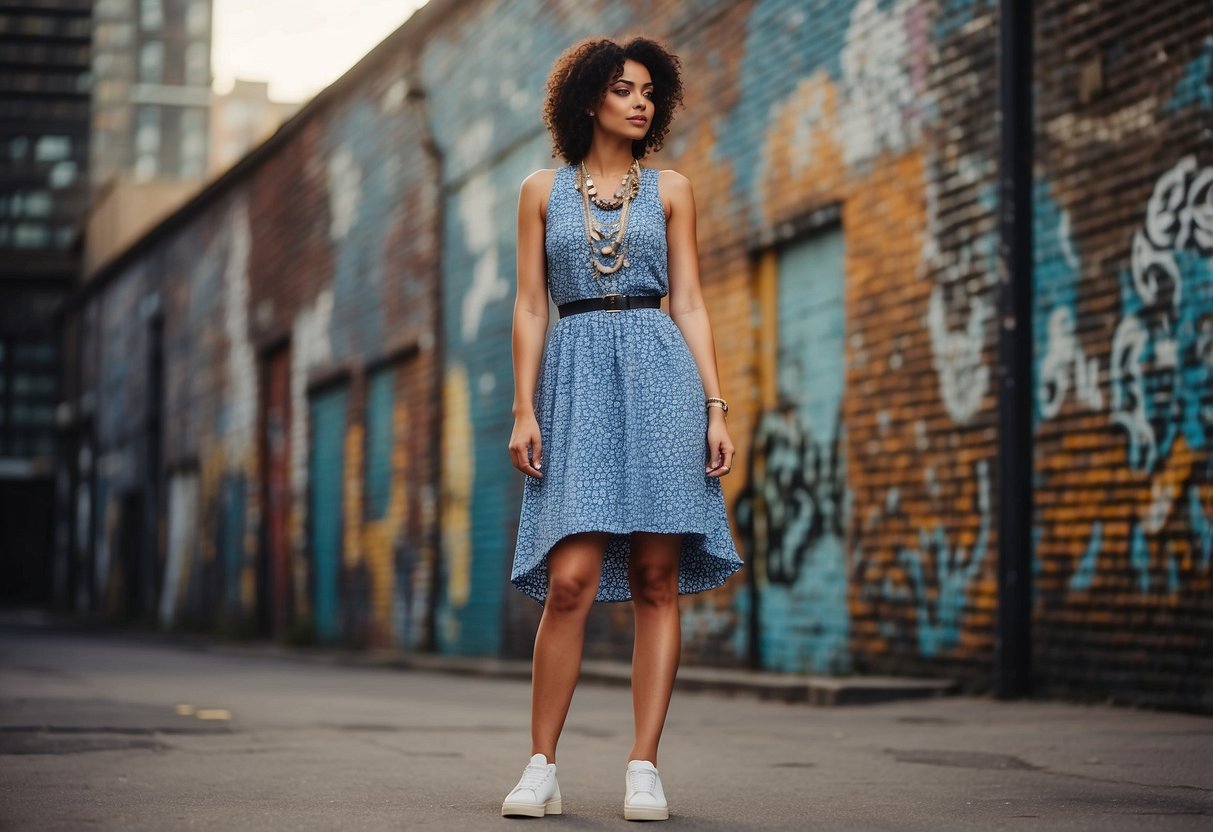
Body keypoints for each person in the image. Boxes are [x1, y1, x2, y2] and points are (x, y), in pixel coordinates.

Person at [502, 35, 744, 822]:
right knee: (568, 579)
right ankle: (541, 766)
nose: (639, 101)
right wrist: (522, 406)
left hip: (661, 376)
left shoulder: (672, 189)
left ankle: (643, 765)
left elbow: (691, 303)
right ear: (587, 101)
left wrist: (714, 405)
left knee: (654, 580)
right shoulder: (542, 191)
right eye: (622, 89)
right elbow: (531, 305)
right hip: (574, 382)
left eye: (648, 90)